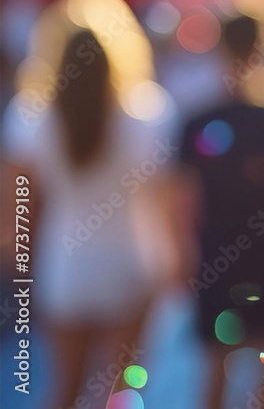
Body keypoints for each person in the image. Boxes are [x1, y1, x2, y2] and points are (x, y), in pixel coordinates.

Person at [2, 29, 172, 409]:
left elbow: (19, 205)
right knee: (120, 393)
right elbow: (163, 197)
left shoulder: (31, 117)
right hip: (130, 263)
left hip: (65, 267)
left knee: (64, 388)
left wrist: (20, 258)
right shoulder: (148, 113)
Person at [178, 15, 264, 409]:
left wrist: (184, 254)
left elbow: (182, 199)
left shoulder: (198, 120)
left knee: (217, 361)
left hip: (215, 253)